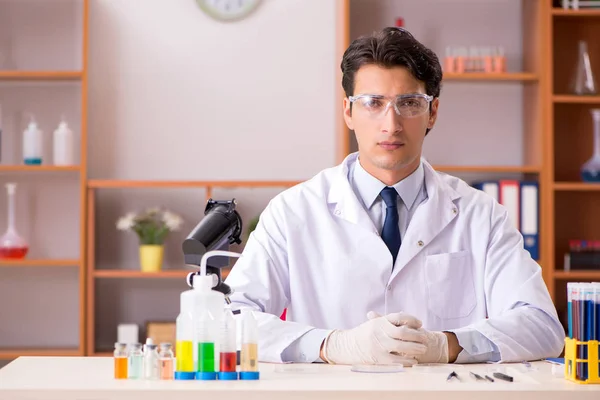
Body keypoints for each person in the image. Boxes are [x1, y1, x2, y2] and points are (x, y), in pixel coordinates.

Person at [224, 27, 565, 365]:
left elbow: (543, 326)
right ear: (348, 112)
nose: (391, 124)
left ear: (432, 112)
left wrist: (447, 345)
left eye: (409, 103)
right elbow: (231, 319)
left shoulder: (481, 214)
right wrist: (332, 345)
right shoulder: (294, 211)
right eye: (373, 103)